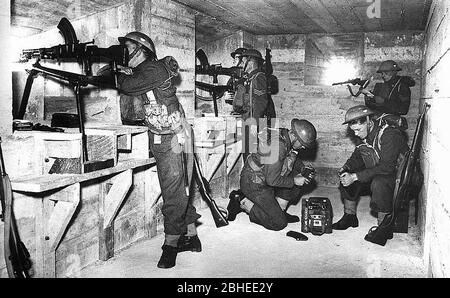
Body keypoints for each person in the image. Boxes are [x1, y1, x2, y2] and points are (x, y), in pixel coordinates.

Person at [115, 31, 201, 269]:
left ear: (141, 50)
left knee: (172, 191)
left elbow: (128, 85)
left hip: (172, 137)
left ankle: (171, 245)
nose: (124, 52)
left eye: (128, 47)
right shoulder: (145, 71)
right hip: (165, 136)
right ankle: (192, 237)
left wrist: (115, 71)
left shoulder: (152, 69)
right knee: (177, 187)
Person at [332, 105, 409, 246]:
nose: (355, 134)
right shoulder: (365, 135)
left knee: (379, 182)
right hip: (382, 170)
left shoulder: (389, 134)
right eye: (353, 130)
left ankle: (384, 228)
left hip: (400, 176)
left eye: (358, 130)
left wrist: (355, 176)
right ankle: (350, 216)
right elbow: (358, 155)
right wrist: (346, 168)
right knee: (347, 176)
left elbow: (387, 167)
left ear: (368, 121)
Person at [227, 119, 317, 231]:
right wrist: (294, 181)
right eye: (303, 144)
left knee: (298, 174)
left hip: (264, 176)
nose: (303, 148)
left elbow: (291, 157)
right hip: (254, 183)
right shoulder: (278, 147)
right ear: (295, 136)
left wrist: (303, 169)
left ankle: (279, 210)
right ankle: (242, 200)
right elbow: (272, 181)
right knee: (279, 222)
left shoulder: (285, 135)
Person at [361, 60, 415, 128]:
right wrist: (369, 100)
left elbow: (403, 110)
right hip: (378, 122)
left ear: (394, 72)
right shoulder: (380, 86)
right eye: (382, 73)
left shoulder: (402, 87)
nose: (383, 75)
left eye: (386, 73)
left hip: (392, 124)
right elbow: (373, 108)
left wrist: (384, 102)